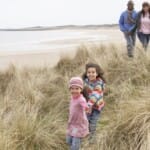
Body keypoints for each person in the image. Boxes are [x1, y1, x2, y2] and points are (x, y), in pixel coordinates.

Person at [82, 63, 106, 143]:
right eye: (89, 72)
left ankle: (93, 139)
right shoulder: (85, 81)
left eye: (93, 72)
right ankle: (88, 133)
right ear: (86, 73)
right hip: (87, 106)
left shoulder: (99, 83)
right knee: (86, 120)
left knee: (93, 122)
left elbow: (95, 95)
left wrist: (89, 105)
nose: (91, 74)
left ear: (97, 73)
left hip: (96, 106)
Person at [66, 77, 89, 150]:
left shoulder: (81, 99)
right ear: (70, 89)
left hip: (79, 124)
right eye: (72, 88)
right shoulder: (72, 97)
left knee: (75, 144)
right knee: (68, 140)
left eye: (77, 88)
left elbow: (85, 106)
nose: (74, 90)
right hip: (72, 122)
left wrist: (86, 108)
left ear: (81, 89)